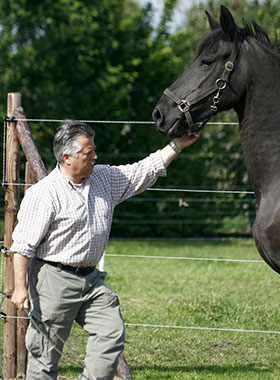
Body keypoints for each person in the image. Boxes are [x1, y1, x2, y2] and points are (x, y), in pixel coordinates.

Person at [11, 120, 199, 380]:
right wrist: (20, 288)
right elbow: (22, 247)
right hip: (53, 280)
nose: (95, 157)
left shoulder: (103, 178)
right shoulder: (44, 194)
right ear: (67, 157)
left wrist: (176, 145)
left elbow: (143, 170)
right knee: (44, 355)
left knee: (111, 332)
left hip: (91, 280)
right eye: (89, 153)